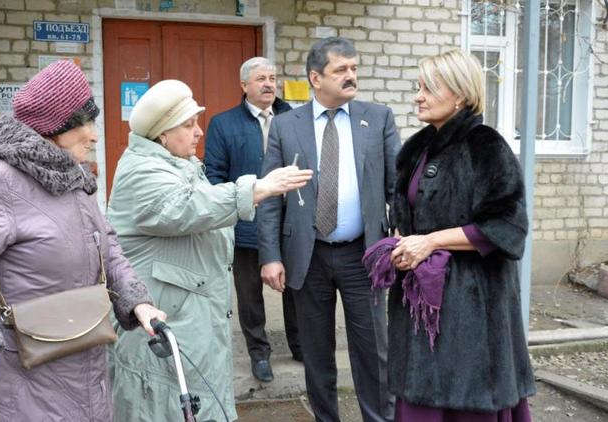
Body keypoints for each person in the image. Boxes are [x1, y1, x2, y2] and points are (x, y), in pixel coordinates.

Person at [0, 60, 166, 420]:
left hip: (87, 366)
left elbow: (107, 245)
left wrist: (137, 300)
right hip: (27, 380)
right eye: (86, 123)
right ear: (55, 128)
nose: (94, 135)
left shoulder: (75, 177)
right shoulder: (0, 181)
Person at [107, 79, 312, 422]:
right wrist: (255, 189)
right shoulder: (142, 171)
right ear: (162, 134)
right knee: (161, 407)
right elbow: (184, 207)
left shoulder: (178, 162)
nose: (198, 132)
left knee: (194, 404)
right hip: (161, 321)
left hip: (187, 318)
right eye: (188, 125)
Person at [380, 49, 535, 420]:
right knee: (420, 396)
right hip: (421, 303)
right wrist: (401, 240)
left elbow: (507, 226)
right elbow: (406, 212)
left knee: (464, 398)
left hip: (472, 306)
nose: (418, 96)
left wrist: (431, 242)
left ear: (460, 96)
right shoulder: (417, 149)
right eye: (418, 87)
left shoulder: (485, 146)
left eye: (430, 88)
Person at [258, 37, 400, 422]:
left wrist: (402, 236)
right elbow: (270, 196)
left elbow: (396, 188)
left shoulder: (378, 118)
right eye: (341, 70)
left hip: (363, 255)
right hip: (309, 255)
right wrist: (269, 256)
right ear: (315, 78)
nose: (351, 76)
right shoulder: (287, 127)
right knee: (316, 354)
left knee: (373, 351)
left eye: (354, 68)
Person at [204, 56, 301, 383]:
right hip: (247, 224)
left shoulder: (293, 118)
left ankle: (300, 347)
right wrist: (232, 206)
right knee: (249, 295)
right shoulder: (223, 124)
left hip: (290, 224)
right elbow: (214, 175)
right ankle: (260, 354)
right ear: (244, 85)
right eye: (261, 78)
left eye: (273, 77)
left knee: (297, 288)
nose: (269, 84)